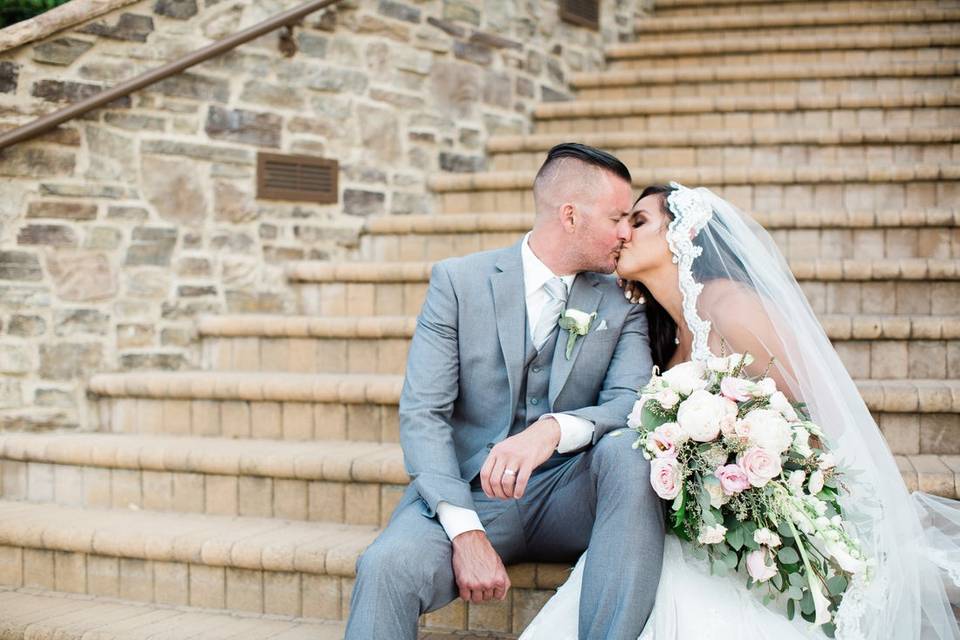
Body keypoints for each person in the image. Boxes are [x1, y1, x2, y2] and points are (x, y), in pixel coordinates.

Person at [520, 182, 960, 639]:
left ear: (684, 234)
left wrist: (741, 483)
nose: (622, 234)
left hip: (751, 514)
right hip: (694, 515)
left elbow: (810, 431)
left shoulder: (734, 308)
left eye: (639, 221)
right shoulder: (664, 335)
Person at [344, 144, 665, 640]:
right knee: (386, 567)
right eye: (618, 217)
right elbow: (423, 413)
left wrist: (553, 429)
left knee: (629, 452)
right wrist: (466, 531)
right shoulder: (459, 282)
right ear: (570, 215)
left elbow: (632, 401)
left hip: (573, 493)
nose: (627, 232)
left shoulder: (623, 304)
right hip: (473, 494)